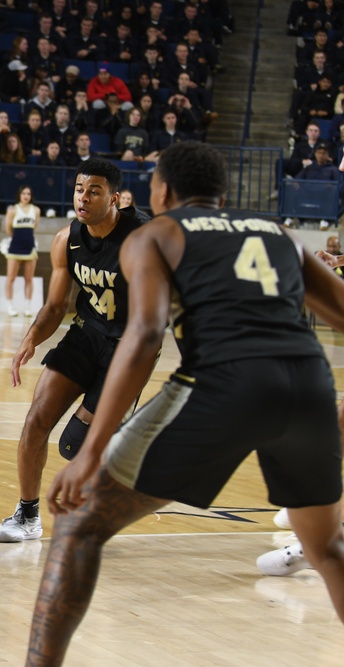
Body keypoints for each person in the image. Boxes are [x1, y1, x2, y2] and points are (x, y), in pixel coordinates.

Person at [25, 140, 344, 665]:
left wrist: (91, 451)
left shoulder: (156, 235)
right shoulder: (280, 234)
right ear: (220, 194)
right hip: (308, 383)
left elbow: (146, 334)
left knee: (79, 526)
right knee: (327, 550)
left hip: (223, 383)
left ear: (163, 189)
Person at [0, 159, 150, 543]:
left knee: (74, 443)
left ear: (114, 198)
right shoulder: (67, 239)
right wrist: (30, 339)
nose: (84, 196)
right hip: (86, 333)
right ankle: (28, 516)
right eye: (80, 189)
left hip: (129, 346)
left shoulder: (143, 237)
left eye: (94, 190)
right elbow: (55, 306)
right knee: (35, 422)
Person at [2, 185, 40, 317]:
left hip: (29, 246)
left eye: (28, 194)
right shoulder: (12, 210)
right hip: (15, 246)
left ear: (31, 196)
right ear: (19, 195)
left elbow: (34, 227)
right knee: (11, 277)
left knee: (29, 278)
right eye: (23, 193)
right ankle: (10, 306)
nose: (26, 196)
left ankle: (28, 306)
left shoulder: (36, 210)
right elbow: (8, 229)